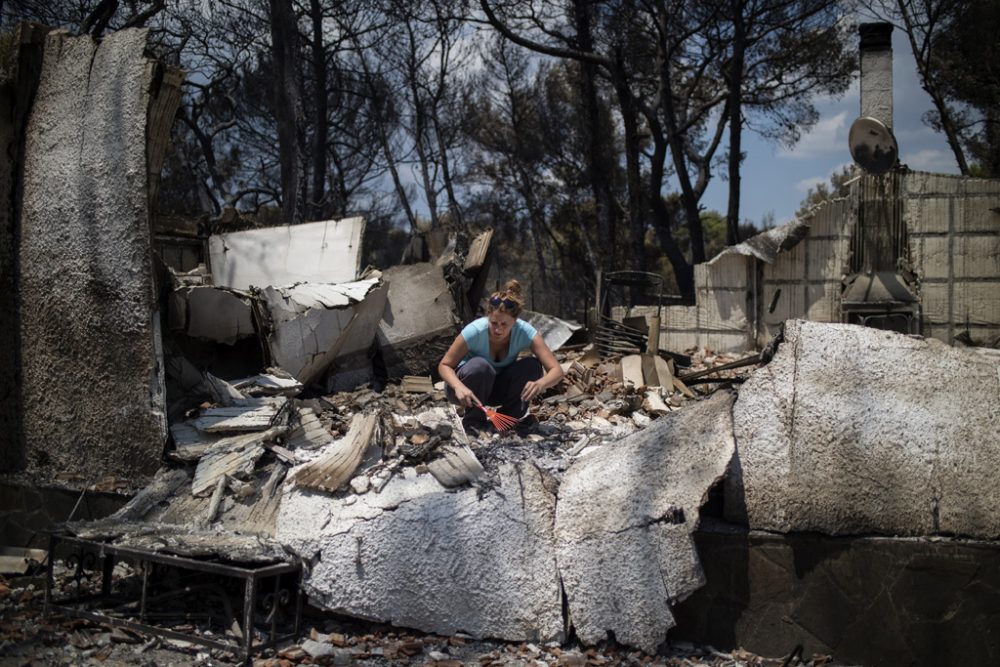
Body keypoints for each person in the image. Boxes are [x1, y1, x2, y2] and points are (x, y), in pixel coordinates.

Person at [438, 280, 563, 433]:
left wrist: (541, 383)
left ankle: (505, 422)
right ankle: (474, 424)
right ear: (488, 317)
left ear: (515, 322)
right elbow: (444, 365)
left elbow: (556, 370)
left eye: (504, 325)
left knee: (532, 366)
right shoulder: (475, 331)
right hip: (464, 389)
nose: (498, 330)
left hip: (497, 389)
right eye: (494, 323)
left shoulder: (525, 332)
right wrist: (458, 387)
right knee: (480, 366)